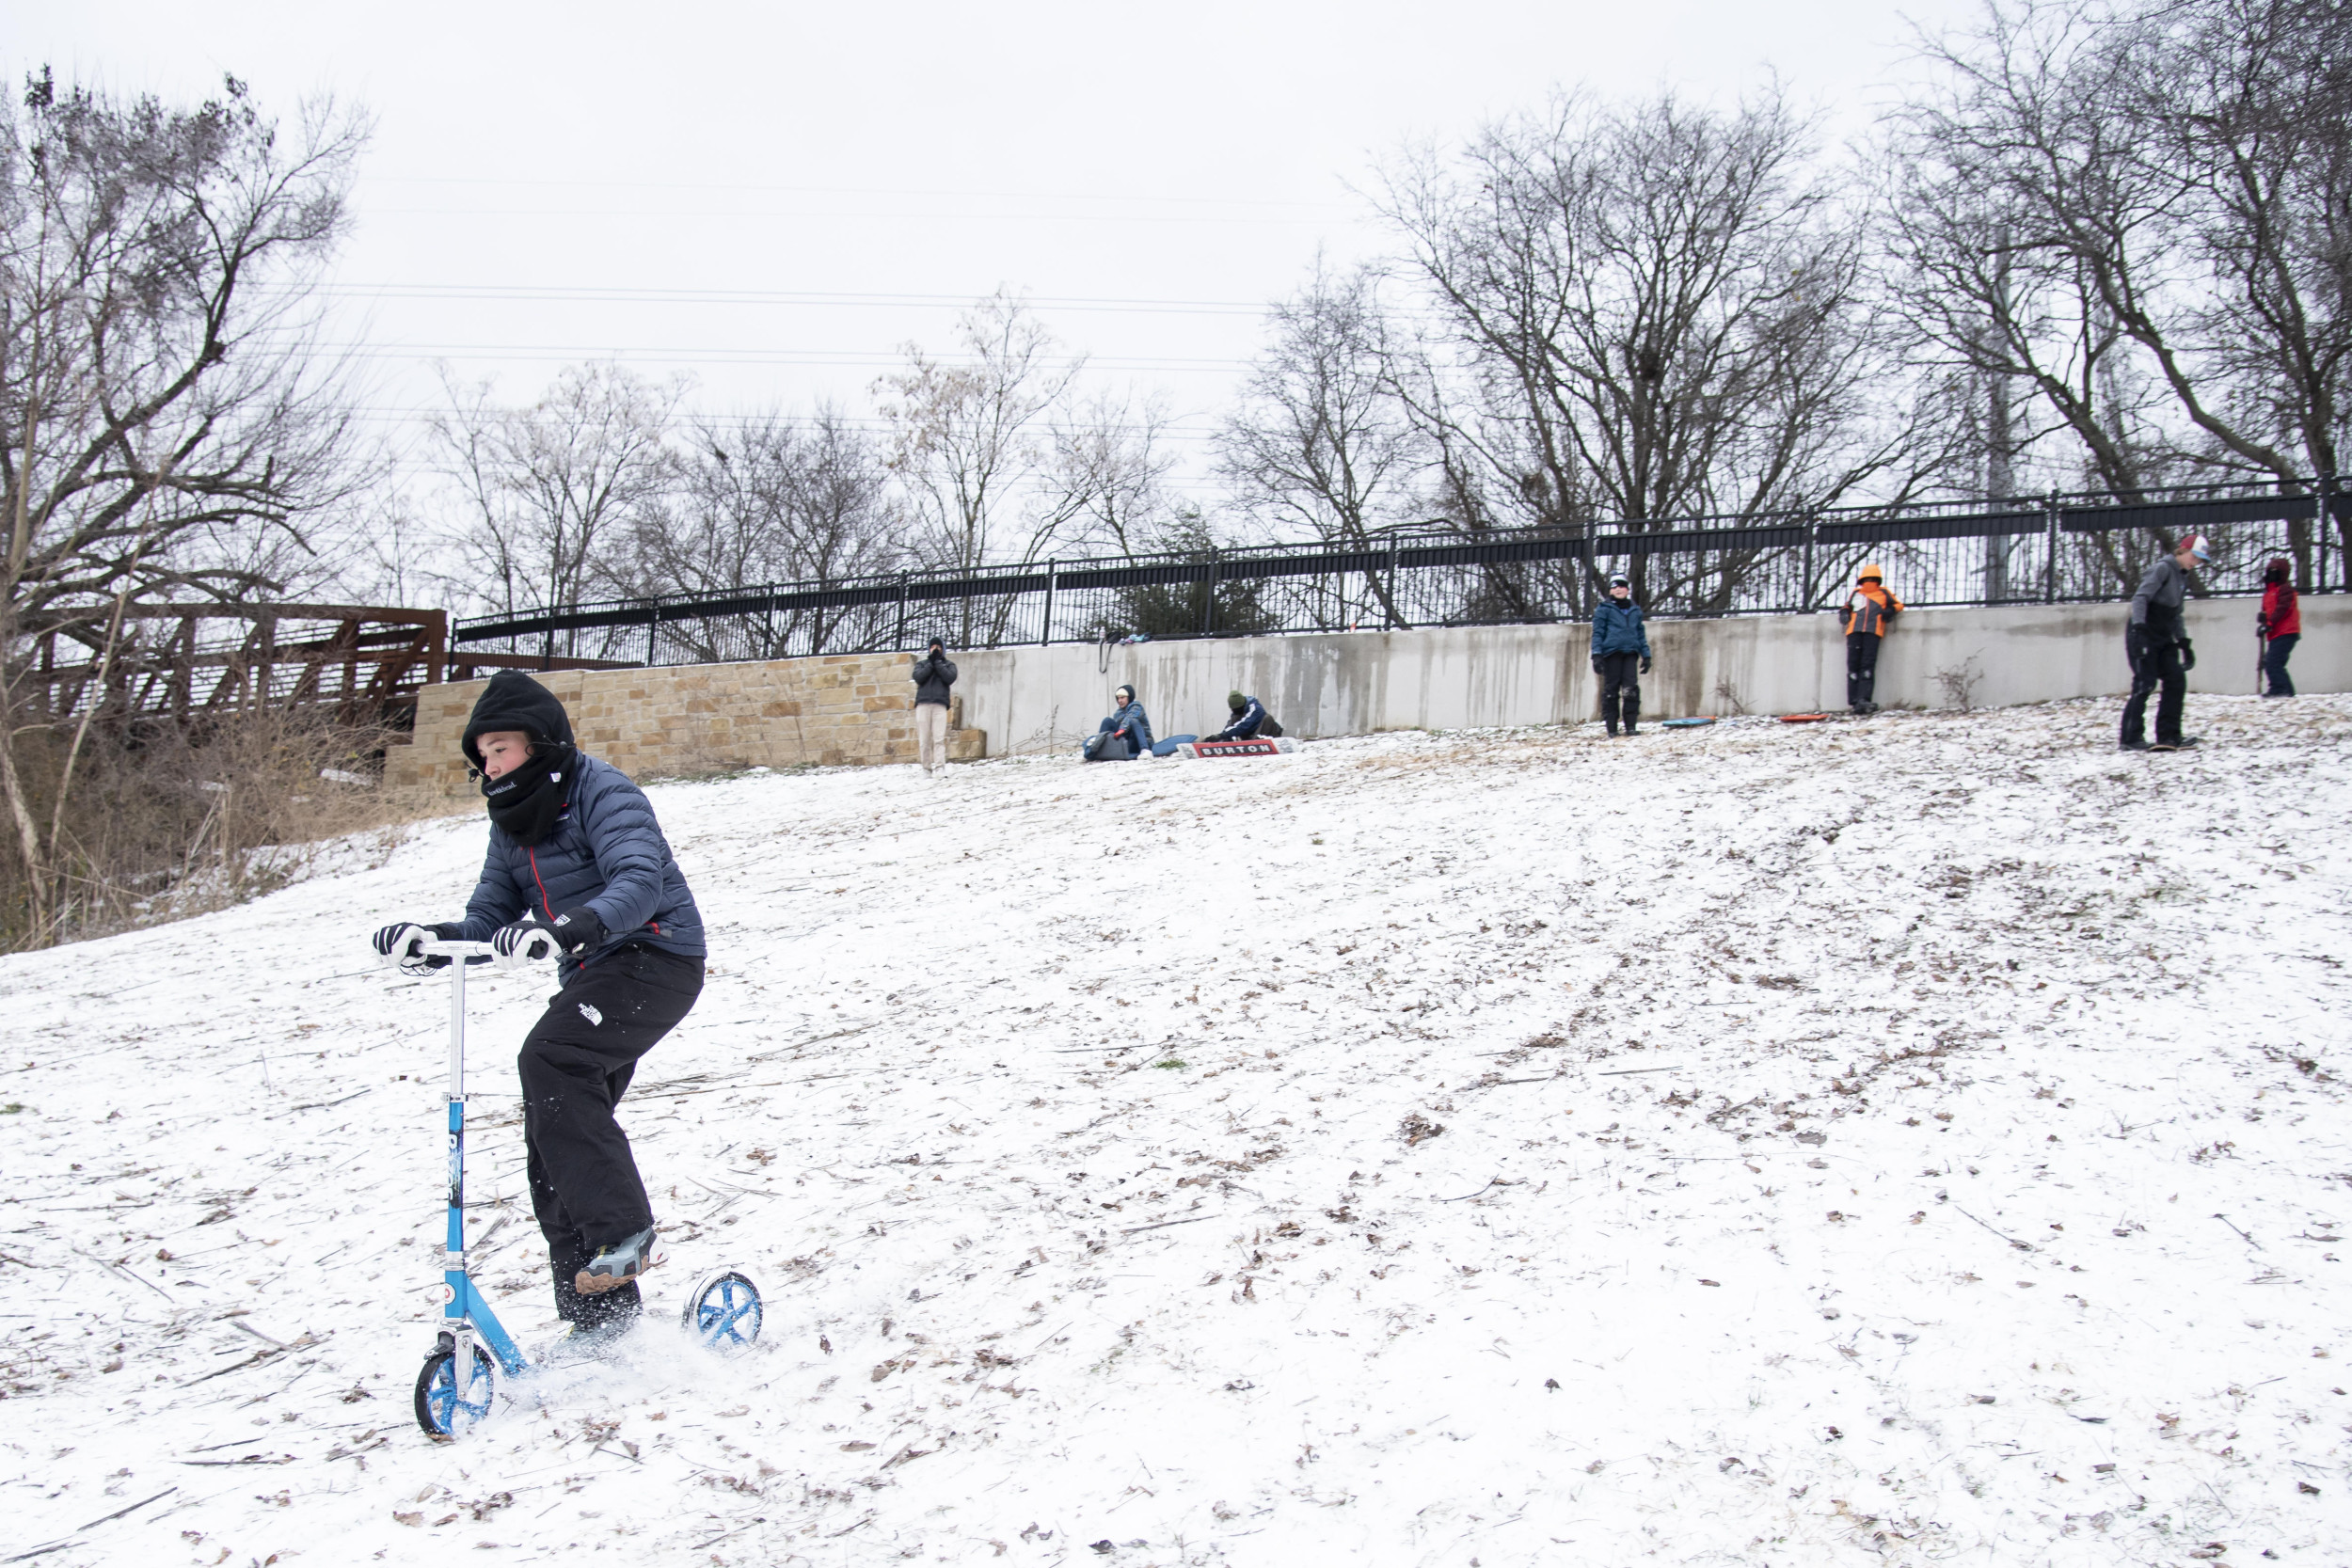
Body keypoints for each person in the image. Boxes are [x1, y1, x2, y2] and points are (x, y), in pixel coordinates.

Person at [371, 671, 707, 1345]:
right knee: (552, 1128)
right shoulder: (513, 823)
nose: (489, 766)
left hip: (656, 955)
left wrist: (572, 926)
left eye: (499, 748)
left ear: (540, 742)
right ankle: (602, 1322)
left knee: (550, 1059)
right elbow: (489, 914)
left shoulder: (602, 792)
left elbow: (639, 882)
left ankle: (625, 1230)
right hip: (591, 970)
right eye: (482, 756)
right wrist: (429, 942)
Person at [2121, 534, 2207, 752]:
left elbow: (2176, 613)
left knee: (2176, 680)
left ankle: (2170, 736)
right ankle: (2130, 738)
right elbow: (2141, 598)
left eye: (2199, 560)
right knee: (2145, 683)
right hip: (2143, 632)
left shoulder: (2182, 576)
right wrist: (2139, 629)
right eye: (2194, 556)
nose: (2195, 562)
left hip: (2164, 636)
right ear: (2182, 550)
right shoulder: (2162, 568)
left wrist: (2184, 641)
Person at [1590, 573, 1652, 736]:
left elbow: (1640, 634)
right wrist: (1596, 654)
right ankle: (1612, 727)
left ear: (1627, 590)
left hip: (1630, 653)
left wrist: (1646, 655)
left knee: (1631, 689)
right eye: (1614, 587)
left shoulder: (1635, 610)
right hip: (1611, 654)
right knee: (1611, 691)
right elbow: (1598, 633)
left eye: (1622, 586)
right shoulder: (1604, 609)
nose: (1618, 589)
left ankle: (1630, 725)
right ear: (1610, 591)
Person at [1838, 564, 1903, 715]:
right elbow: (1899, 605)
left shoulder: (1859, 592)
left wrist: (1844, 612)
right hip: (1872, 632)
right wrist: (1891, 610)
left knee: (1853, 667)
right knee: (1866, 666)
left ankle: (1856, 700)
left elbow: (1847, 607)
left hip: (1855, 631)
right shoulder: (1877, 592)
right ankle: (1862, 699)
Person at [910, 638, 957, 771]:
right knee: (924, 739)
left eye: (938, 646)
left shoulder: (948, 665)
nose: (935, 649)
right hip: (923, 704)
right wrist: (931, 662)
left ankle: (940, 766)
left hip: (940, 704)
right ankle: (926, 767)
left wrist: (937, 662)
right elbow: (919, 677)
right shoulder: (922, 664)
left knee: (938, 738)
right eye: (933, 646)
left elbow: (949, 677)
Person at [2259, 557, 2299, 697]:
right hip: (2276, 633)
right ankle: (2287, 691)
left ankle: (2279, 689)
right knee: (2274, 662)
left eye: (2276, 571)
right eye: (2270, 571)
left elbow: (2283, 609)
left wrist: (2269, 624)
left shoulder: (2285, 589)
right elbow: (2268, 611)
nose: (2272, 574)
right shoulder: (2268, 593)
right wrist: (2263, 621)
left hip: (2287, 631)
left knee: (2273, 661)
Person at [1086, 683, 1153, 761]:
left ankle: (1145, 751)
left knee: (1133, 721)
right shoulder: (1118, 713)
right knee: (1107, 721)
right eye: (1118, 698)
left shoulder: (1137, 707)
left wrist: (1122, 729)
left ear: (1129, 697)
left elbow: (1130, 717)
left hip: (1142, 742)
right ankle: (1098, 747)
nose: (1120, 701)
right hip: (1128, 743)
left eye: (1122, 698)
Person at [1212, 690, 1276, 740]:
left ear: (1242, 705)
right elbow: (1231, 726)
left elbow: (1244, 725)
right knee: (1235, 718)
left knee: (1268, 718)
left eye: (1237, 709)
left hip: (1263, 733)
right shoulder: (1238, 712)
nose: (1234, 711)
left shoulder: (1255, 708)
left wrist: (1224, 735)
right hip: (1250, 737)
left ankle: (1260, 741)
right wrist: (1219, 737)